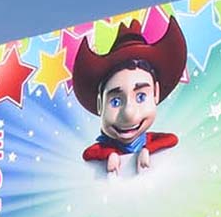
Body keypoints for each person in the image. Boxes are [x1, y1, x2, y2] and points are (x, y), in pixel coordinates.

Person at [72, 18, 187, 175]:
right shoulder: (103, 148)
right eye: (116, 101)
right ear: (100, 104)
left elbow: (171, 139)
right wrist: (110, 154)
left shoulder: (149, 140)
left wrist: (147, 150)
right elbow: (89, 153)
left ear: (156, 94)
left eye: (140, 97)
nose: (129, 114)